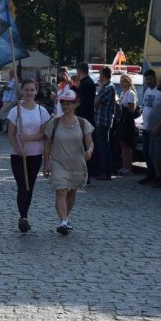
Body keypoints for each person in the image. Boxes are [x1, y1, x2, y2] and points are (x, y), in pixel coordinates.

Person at [42, 90, 95, 235]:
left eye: (69, 104)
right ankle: (63, 222)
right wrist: (46, 163)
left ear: (76, 104)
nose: (66, 107)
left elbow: (90, 142)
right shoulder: (54, 123)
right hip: (58, 161)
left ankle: (66, 218)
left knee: (72, 192)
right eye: (64, 104)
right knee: (61, 190)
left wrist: (89, 151)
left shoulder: (83, 123)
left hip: (77, 163)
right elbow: (47, 144)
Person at [6, 78, 51, 233]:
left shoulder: (42, 111)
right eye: (26, 90)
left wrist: (30, 138)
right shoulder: (15, 111)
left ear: (36, 91)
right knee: (21, 185)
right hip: (18, 155)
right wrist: (18, 148)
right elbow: (11, 134)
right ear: (22, 91)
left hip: (35, 154)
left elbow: (44, 134)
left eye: (32, 90)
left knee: (29, 186)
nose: (29, 93)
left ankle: (24, 215)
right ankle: (23, 217)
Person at [93, 66, 117, 180]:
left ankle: (106, 172)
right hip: (100, 120)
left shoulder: (108, 88)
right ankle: (103, 171)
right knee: (102, 146)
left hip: (103, 120)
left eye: (100, 74)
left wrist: (99, 90)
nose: (99, 76)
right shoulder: (107, 87)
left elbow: (96, 102)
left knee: (104, 148)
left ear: (103, 75)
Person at [138, 69, 159, 185]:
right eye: (147, 79)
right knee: (146, 152)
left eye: (150, 79)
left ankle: (156, 175)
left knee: (154, 153)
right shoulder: (146, 91)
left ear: (155, 78)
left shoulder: (158, 92)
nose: (148, 81)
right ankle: (150, 174)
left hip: (154, 127)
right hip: (145, 126)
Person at [116, 74, 138, 175]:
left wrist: (121, 107)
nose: (122, 83)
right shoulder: (122, 93)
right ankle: (124, 166)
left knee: (127, 145)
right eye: (121, 81)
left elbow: (130, 109)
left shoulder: (130, 93)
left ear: (129, 82)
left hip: (128, 121)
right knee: (122, 144)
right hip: (122, 121)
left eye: (124, 81)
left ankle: (128, 167)